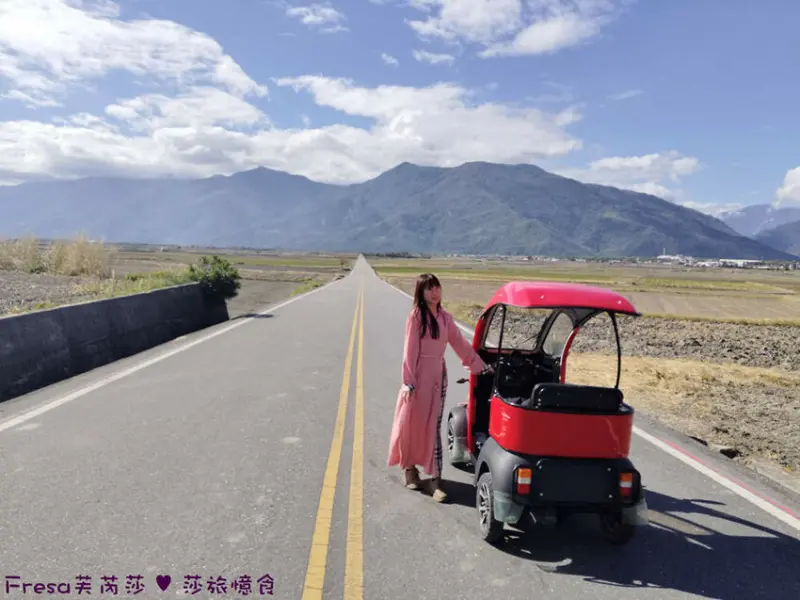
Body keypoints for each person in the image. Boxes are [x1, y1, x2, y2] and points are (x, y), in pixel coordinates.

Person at [387, 273, 493, 502]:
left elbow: (460, 344)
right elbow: (409, 351)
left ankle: (435, 479)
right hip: (417, 379)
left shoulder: (445, 318)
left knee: (432, 426)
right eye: (429, 288)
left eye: (437, 287)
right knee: (411, 424)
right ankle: (410, 470)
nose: (434, 292)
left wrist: (481, 367)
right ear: (421, 292)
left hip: (437, 378)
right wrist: (408, 382)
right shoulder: (416, 317)